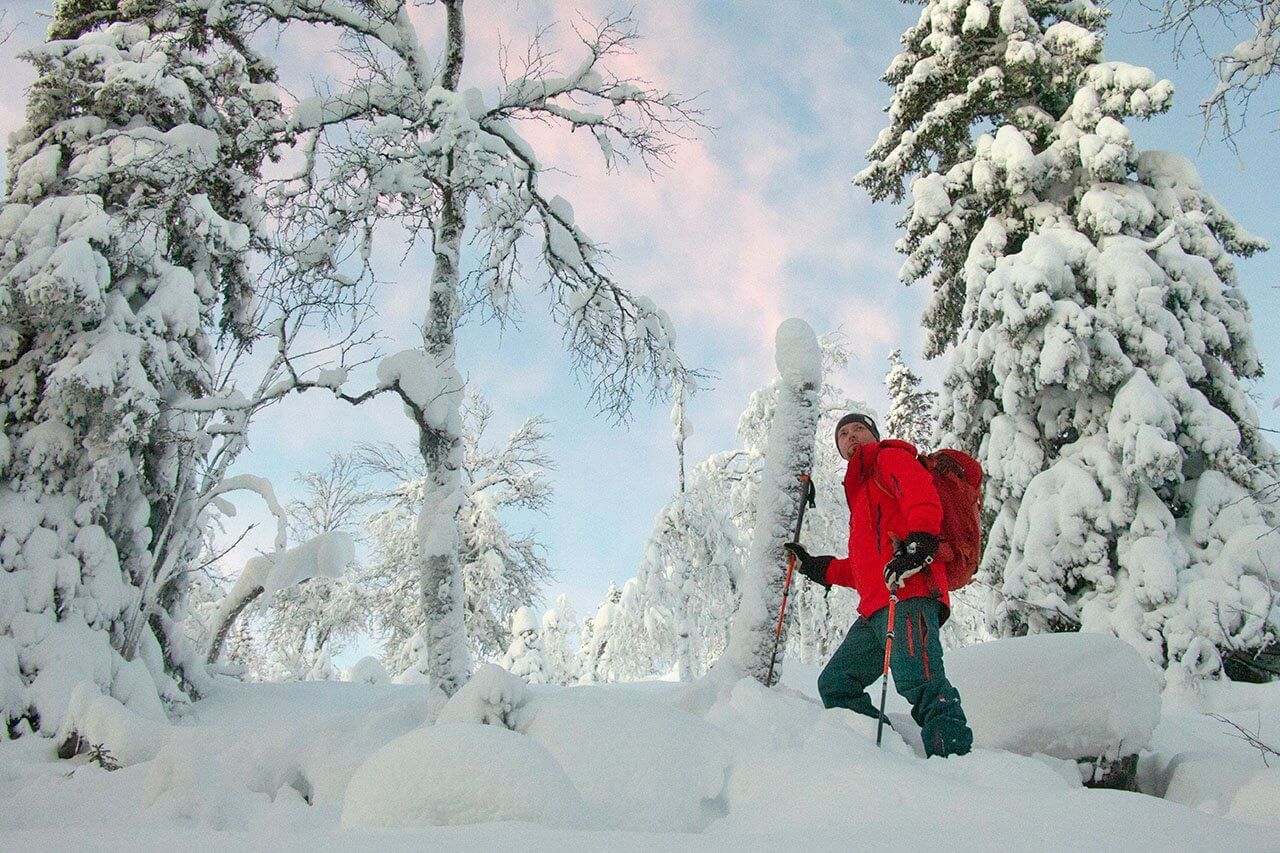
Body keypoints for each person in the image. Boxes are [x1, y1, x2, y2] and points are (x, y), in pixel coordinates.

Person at [785, 413, 973, 758]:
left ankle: (956, 765)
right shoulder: (861, 495)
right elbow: (863, 569)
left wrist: (919, 543)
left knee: (922, 683)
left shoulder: (890, 457)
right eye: (843, 434)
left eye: (859, 429)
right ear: (840, 448)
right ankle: (890, 759)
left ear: (874, 435)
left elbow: (921, 496)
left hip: (910, 594)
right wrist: (816, 567)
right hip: (876, 607)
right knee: (837, 685)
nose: (851, 436)